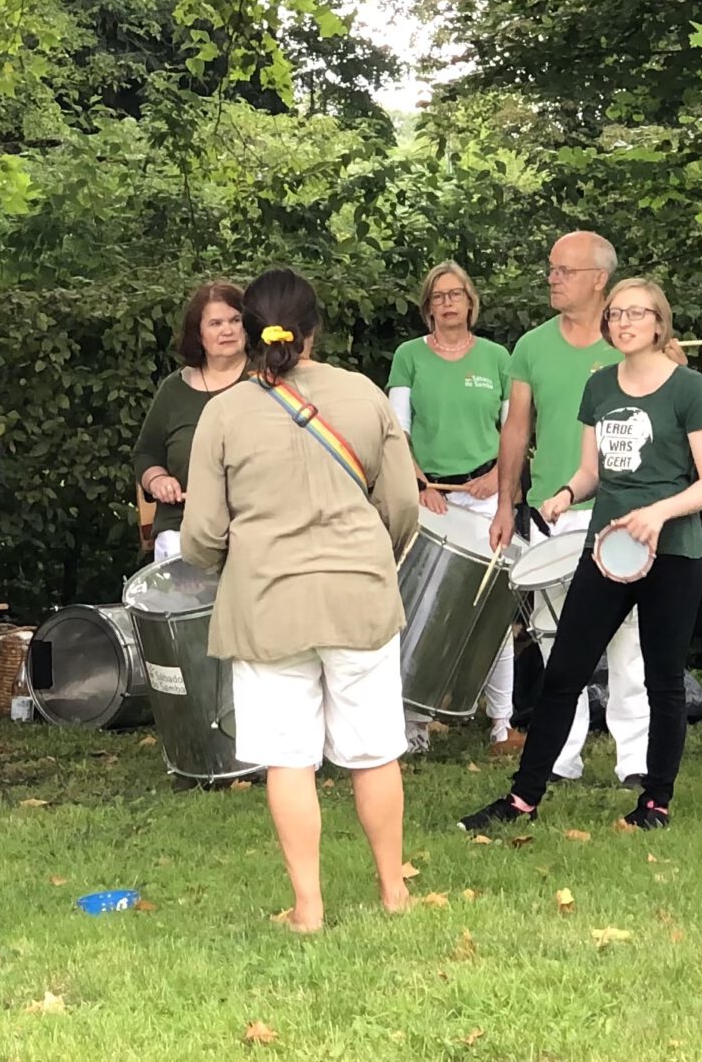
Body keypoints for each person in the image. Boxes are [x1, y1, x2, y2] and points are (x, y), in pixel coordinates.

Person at [184, 268, 422, 933]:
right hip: (359, 595)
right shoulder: (364, 394)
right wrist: (372, 553)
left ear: (249, 331)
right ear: (314, 328)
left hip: (266, 602)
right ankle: (393, 892)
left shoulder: (224, 412)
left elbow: (200, 532)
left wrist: (234, 561)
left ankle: (309, 908)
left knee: (289, 759)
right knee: (375, 751)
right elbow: (403, 505)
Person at [466, 276, 702, 834]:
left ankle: (655, 801)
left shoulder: (689, 389)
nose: (623, 322)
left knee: (662, 679)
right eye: (616, 314)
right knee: (564, 671)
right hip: (606, 551)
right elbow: (592, 470)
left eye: (636, 313)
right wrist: (565, 493)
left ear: (659, 323)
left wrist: (658, 513)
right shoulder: (600, 386)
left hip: (673, 553)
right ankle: (522, 799)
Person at [488, 230, 652, 791]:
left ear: (600, 279)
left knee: (629, 639)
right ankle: (561, 757)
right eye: (552, 269)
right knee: (556, 638)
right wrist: (507, 503)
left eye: (565, 270)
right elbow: (516, 428)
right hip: (552, 513)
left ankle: (636, 762)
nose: (552, 278)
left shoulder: (631, 341)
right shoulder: (531, 346)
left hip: (624, 511)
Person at [386, 259, 515, 750]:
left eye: (455, 294)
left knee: (493, 610)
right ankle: (413, 727)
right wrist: (418, 485)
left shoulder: (497, 358)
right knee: (420, 608)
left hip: (485, 496)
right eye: (438, 296)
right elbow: (397, 430)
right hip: (429, 498)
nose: (447, 303)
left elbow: (514, 430)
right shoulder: (409, 356)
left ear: (470, 302)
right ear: (428, 307)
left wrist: (496, 478)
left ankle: (502, 723)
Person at [132, 280, 247, 567]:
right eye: (216, 323)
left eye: (235, 320)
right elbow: (145, 454)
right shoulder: (174, 390)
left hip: (254, 527)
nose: (228, 330)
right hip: (182, 527)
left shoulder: (269, 382)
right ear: (198, 334)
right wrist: (157, 480)